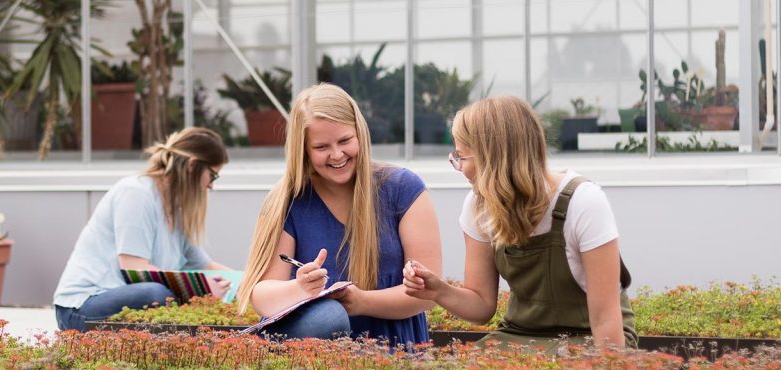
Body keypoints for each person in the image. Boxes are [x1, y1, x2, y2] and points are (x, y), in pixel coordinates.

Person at [403, 95, 636, 352]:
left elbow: (605, 320)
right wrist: (438, 291)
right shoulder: (478, 205)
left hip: (589, 337)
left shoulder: (583, 202)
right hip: (519, 336)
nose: (458, 168)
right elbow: (481, 306)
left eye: (461, 157)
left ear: (491, 156)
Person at [236, 83, 442, 347]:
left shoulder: (403, 189)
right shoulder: (288, 201)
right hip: (318, 365)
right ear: (304, 151)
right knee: (328, 318)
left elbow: (428, 293)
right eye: (321, 147)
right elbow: (261, 295)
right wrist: (299, 288)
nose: (337, 155)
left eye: (345, 140)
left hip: (396, 355)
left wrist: (362, 302)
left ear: (360, 135)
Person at [54, 127, 231, 332]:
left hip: (121, 301)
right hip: (80, 309)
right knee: (156, 295)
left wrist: (250, 283)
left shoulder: (177, 209)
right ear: (192, 166)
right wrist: (199, 290)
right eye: (213, 176)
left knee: (164, 295)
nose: (211, 186)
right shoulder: (136, 193)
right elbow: (135, 267)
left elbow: (205, 266)